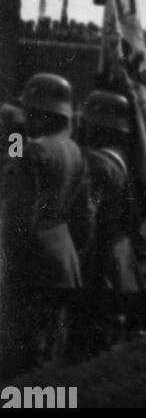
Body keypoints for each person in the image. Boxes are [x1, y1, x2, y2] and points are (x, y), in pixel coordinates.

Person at [0, 74, 91, 376]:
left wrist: (11, 264)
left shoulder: (33, 150)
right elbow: (83, 216)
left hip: (32, 264)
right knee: (46, 354)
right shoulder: (75, 150)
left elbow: (19, 218)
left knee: (20, 357)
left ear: (41, 112)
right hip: (63, 262)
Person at [73, 90, 146, 357]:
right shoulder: (122, 161)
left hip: (97, 262)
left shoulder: (96, 162)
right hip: (120, 258)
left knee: (86, 344)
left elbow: (86, 218)